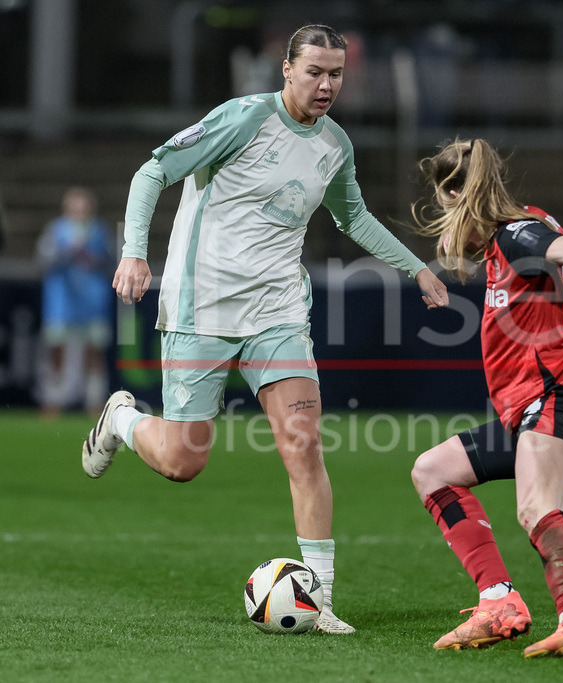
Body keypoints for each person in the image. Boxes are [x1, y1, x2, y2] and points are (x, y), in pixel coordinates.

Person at [81, 24, 448, 634]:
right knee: (181, 462)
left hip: (277, 313)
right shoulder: (242, 119)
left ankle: (322, 601)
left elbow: (351, 214)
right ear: (286, 70)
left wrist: (416, 270)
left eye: (336, 74)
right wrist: (133, 251)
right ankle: (122, 416)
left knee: (304, 448)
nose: (327, 84)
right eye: (315, 72)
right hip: (202, 308)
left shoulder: (334, 144)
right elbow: (152, 172)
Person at [410, 138, 563, 657]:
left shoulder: (517, 234)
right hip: (546, 403)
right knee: (432, 471)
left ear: (456, 197)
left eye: (445, 205)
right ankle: (499, 602)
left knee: (537, 507)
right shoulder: (512, 233)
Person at [36, 187, 114, 416]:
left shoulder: (101, 231)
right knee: (56, 354)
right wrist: (65, 253)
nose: (80, 211)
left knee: (94, 355)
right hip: (61, 304)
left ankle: (94, 404)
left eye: (84, 206)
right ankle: (51, 403)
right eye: (75, 206)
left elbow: (113, 262)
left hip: (93, 303)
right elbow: (42, 261)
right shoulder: (55, 229)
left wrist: (93, 258)